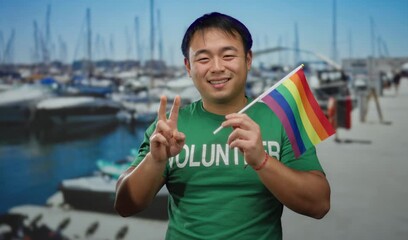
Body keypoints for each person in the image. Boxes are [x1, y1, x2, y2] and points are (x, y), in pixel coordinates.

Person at [114, 12, 330, 239]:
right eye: (203, 59)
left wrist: (262, 161)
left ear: (248, 60)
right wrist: (155, 160)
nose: (216, 67)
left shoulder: (282, 120)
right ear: (188, 67)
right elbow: (125, 205)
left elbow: (319, 204)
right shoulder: (169, 129)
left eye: (228, 55)